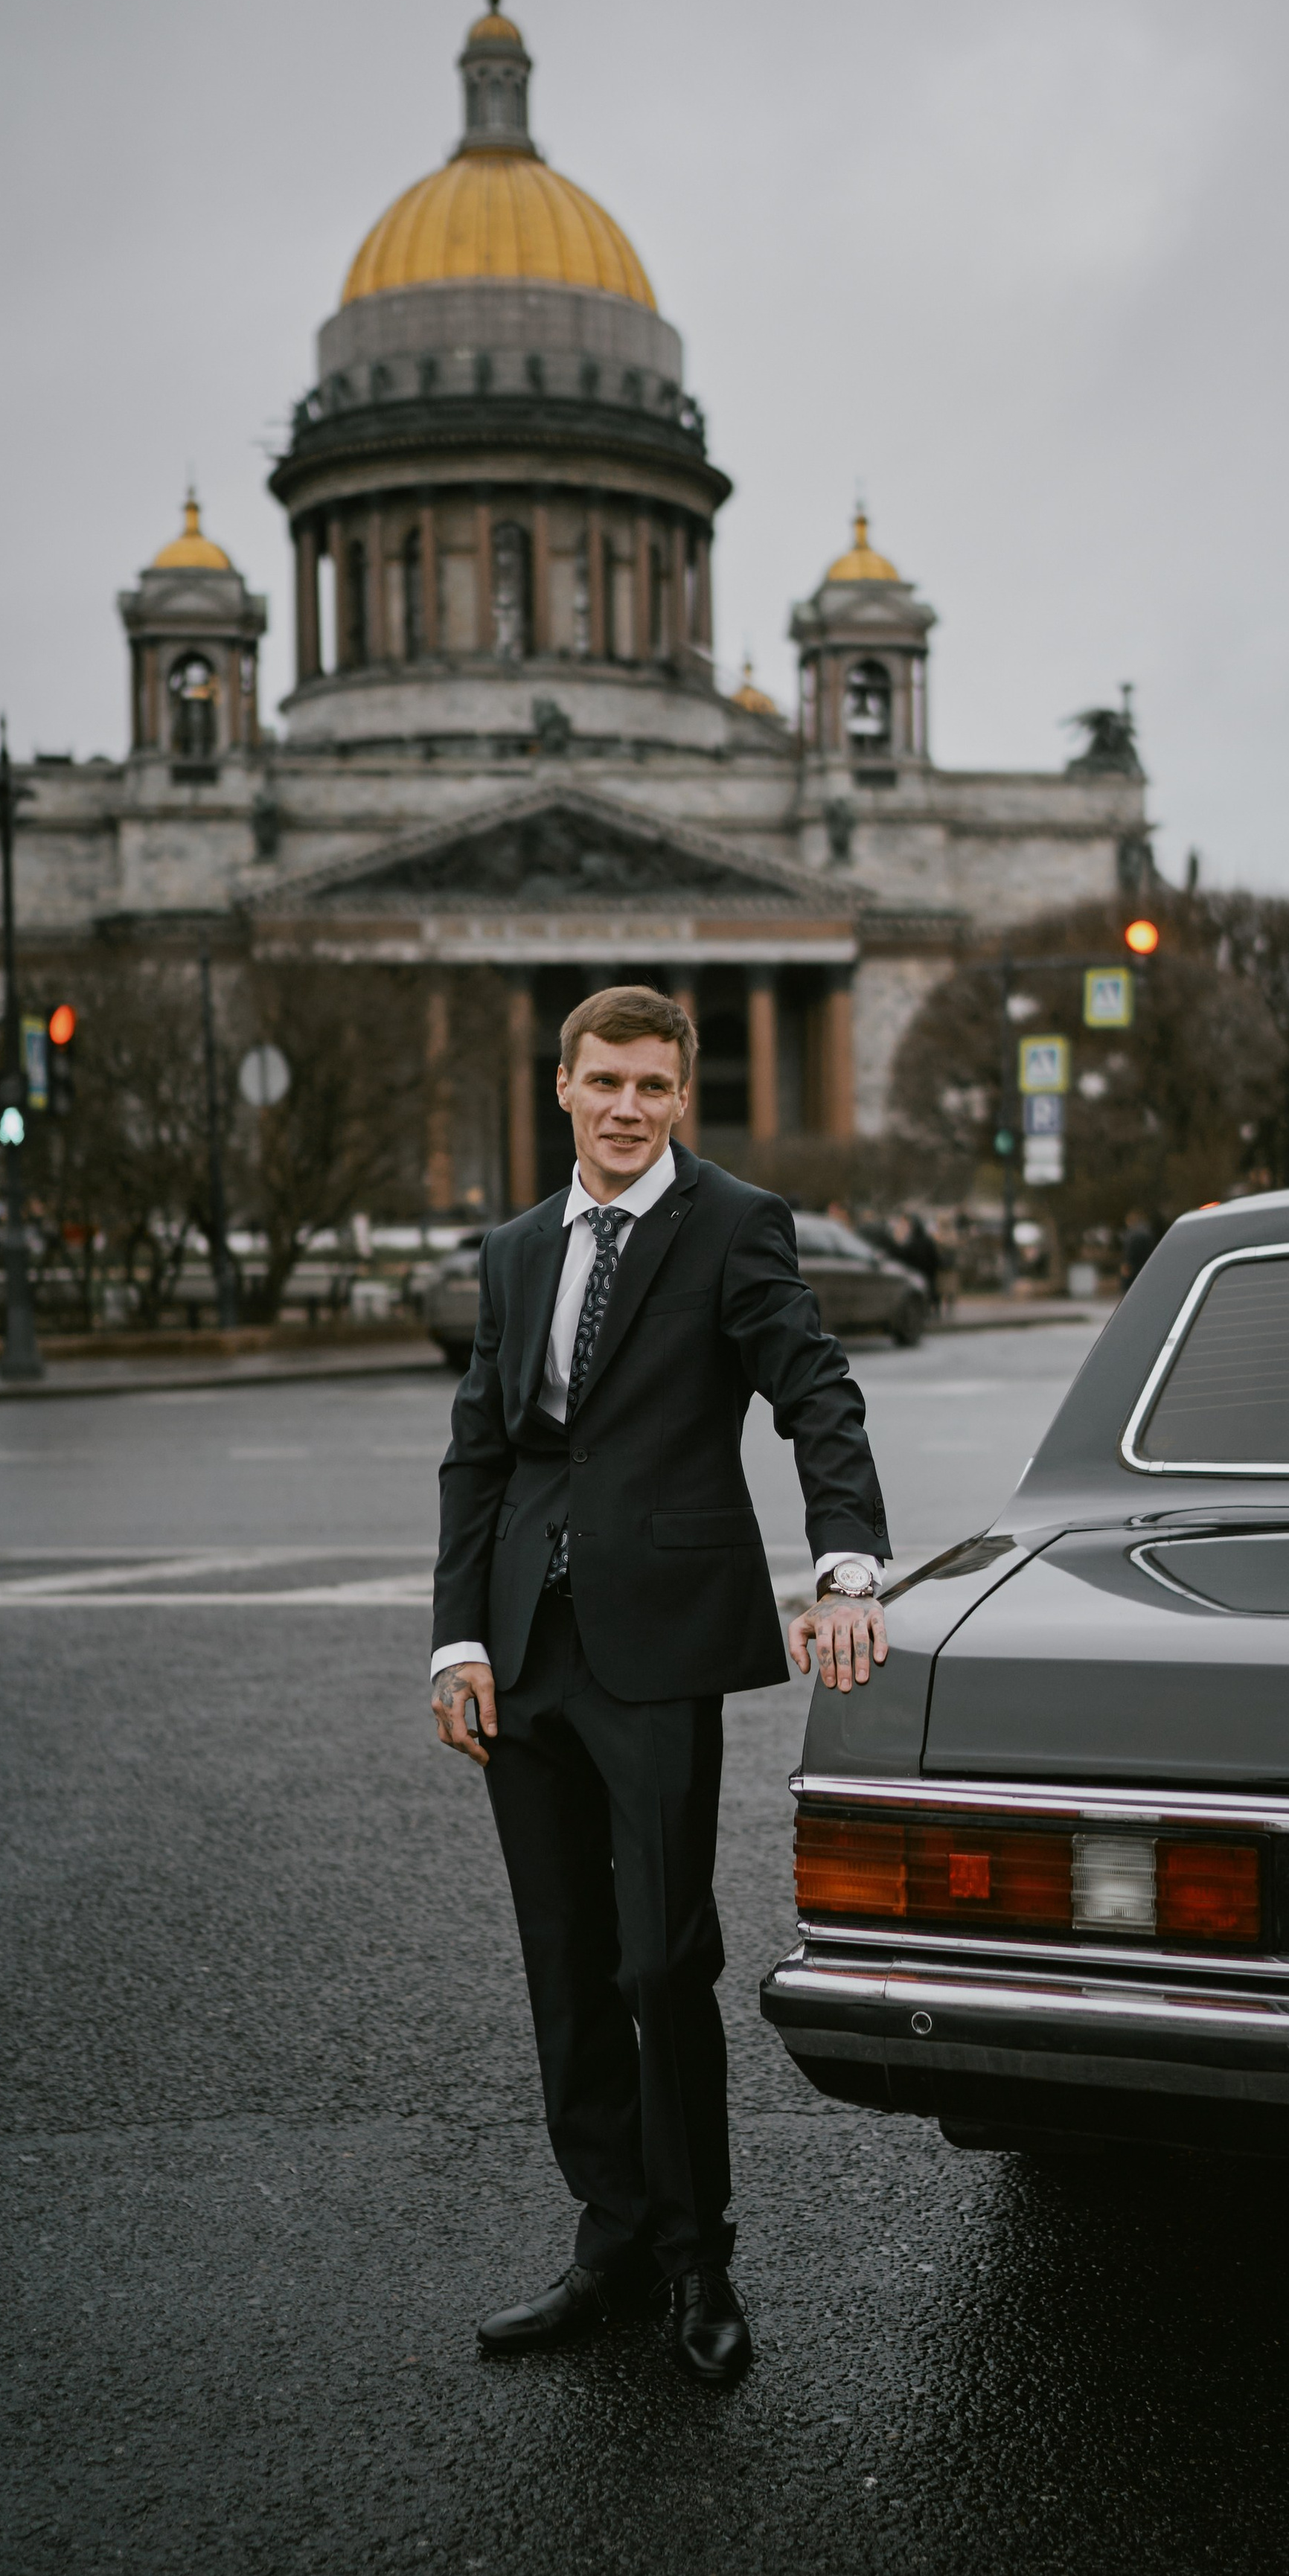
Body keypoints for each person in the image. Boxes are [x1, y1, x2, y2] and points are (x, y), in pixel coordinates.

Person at [428, 987, 890, 2386]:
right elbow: (479, 1457)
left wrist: (851, 1566)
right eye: (605, 1081)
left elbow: (815, 1387)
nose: (630, 1107)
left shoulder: (733, 1223)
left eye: (655, 1087)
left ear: (682, 1100)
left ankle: (698, 2260)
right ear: (560, 1086)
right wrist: (458, 1640)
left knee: (659, 1958)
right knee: (565, 1966)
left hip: (660, 1646)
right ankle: (612, 2239)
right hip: (526, 1653)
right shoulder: (515, 1252)